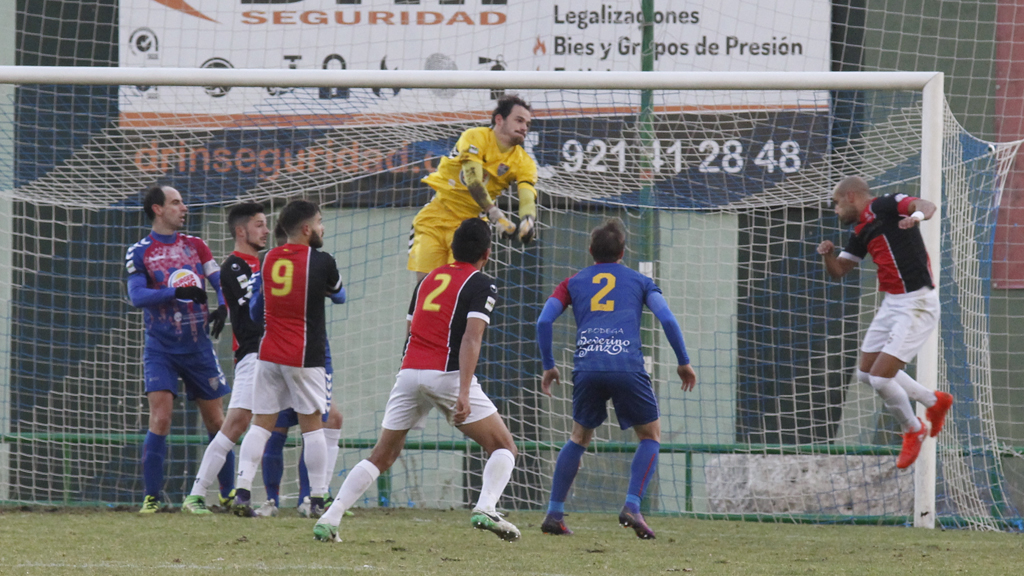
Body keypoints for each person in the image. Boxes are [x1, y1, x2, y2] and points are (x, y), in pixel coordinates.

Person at [314, 218, 520, 543]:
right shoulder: (483, 284)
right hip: (447, 374)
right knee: (504, 446)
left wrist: (407, 377)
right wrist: (464, 391)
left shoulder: (427, 280)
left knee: (381, 455)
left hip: (409, 372)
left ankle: (330, 517)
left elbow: (411, 331)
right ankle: (486, 507)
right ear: (487, 253)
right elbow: (472, 338)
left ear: (452, 248)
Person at [535, 217, 697, 540]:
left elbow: (543, 321)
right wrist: (683, 361)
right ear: (623, 252)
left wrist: (549, 365)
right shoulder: (640, 281)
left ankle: (554, 513)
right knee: (650, 436)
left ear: (590, 250)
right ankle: (632, 505)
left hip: (587, 367)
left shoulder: (571, 282)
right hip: (626, 366)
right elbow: (667, 318)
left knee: (578, 438)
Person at [816, 176, 953, 469]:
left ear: (851, 196)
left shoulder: (887, 205)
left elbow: (927, 205)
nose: (836, 210)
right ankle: (934, 401)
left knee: (880, 379)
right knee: (866, 375)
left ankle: (913, 430)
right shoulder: (861, 230)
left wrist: (915, 217)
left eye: (836, 203)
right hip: (892, 303)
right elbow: (839, 270)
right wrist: (828, 255)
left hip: (917, 303)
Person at [230, 200, 343, 518]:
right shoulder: (322, 261)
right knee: (313, 427)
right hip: (304, 355)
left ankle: (242, 493)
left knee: (261, 425)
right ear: (306, 229)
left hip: (268, 354)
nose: (322, 228)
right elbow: (340, 295)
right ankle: (317, 498)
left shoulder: (266, 259)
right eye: (319, 222)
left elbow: (256, 311)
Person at [125, 185, 231, 513]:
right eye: (176, 202)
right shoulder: (140, 251)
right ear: (157, 209)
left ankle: (228, 496)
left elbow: (218, 280)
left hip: (198, 346)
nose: (184, 208)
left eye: (183, 202)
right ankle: (152, 498)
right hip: (161, 348)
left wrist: (223, 305)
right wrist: (177, 292)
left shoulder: (196, 245)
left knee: (218, 422)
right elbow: (137, 296)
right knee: (160, 419)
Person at [181, 202, 268, 514]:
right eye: (259, 224)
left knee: (325, 418)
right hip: (255, 354)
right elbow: (252, 311)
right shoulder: (233, 267)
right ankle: (200, 494)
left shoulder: (268, 263)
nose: (266, 230)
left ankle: (316, 498)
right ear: (241, 231)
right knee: (238, 424)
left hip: (277, 353)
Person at [408, 94, 538, 281]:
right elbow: (473, 181)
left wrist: (528, 221)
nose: (524, 127)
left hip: (469, 229)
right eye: (519, 120)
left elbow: (527, 198)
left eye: (527, 124)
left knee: (458, 287)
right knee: (425, 287)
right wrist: (497, 216)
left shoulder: (525, 162)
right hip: (435, 216)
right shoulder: (475, 136)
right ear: (499, 120)